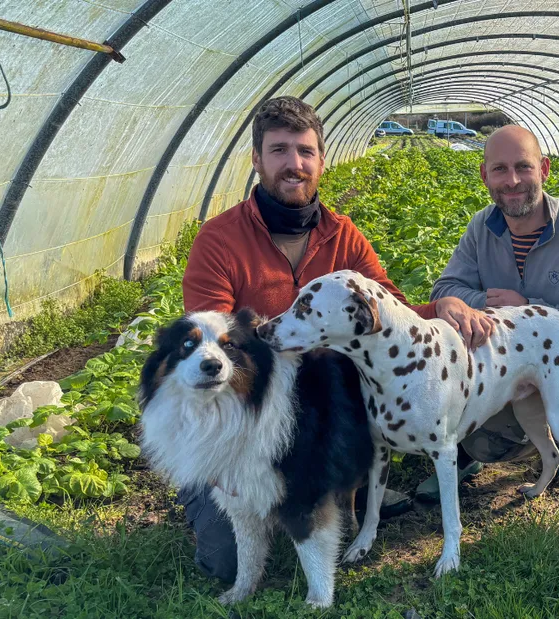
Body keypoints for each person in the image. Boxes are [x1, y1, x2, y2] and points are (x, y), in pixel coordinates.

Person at [178, 96, 494, 582]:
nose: (294, 164)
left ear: (322, 160)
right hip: (246, 412)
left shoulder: (342, 234)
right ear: (257, 160)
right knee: (224, 560)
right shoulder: (219, 240)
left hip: (322, 409)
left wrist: (442, 310)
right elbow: (213, 349)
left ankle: (343, 483)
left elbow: (389, 308)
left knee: (333, 520)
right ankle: (210, 487)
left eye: (305, 151)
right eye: (279, 150)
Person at [414, 125, 559, 501]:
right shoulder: (481, 227)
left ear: (544, 169)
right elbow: (445, 290)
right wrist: (488, 305)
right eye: (499, 169)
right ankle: (539, 445)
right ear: (484, 175)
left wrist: (528, 309)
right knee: (475, 436)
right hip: (507, 372)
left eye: (523, 167)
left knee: (492, 433)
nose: (512, 181)